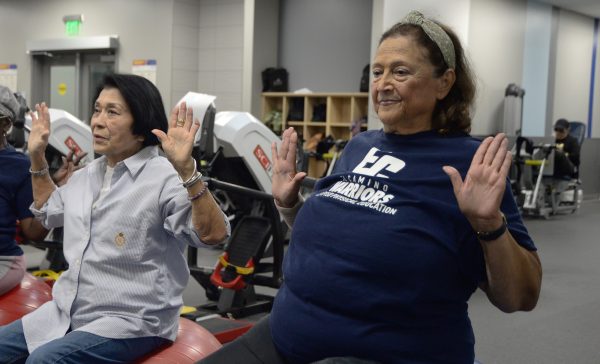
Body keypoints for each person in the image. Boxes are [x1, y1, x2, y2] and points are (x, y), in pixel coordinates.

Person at [199, 11, 542, 364]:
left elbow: (521, 296)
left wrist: (489, 225)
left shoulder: (472, 163)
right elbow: (337, 237)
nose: (383, 84)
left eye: (401, 71)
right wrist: (289, 206)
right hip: (285, 332)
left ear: (444, 83)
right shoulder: (360, 147)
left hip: (384, 352)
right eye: (377, 72)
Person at [0, 73, 229, 363]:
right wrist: (37, 157)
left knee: (43, 361)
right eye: (97, 110)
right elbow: (47, 211)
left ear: (141, 127)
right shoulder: (86, 176)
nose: (97, 121)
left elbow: (214, 235)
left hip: (132, 321)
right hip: (67, 311)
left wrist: (188, 172)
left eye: (112, 112)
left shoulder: (164, 179)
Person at [0, 85, 49, 295]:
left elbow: (33, 231)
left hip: (4, 261)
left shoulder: (19, 166)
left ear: (6, 123)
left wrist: (54, 191)